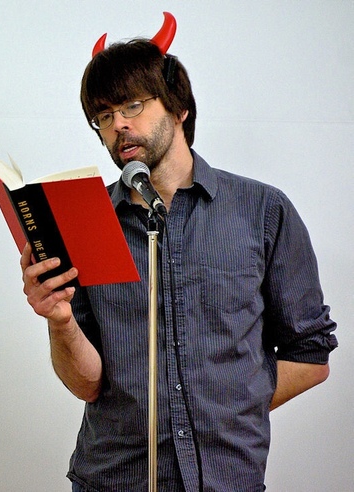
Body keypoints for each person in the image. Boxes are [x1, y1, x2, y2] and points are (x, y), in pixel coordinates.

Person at [19, 14, 338, 492]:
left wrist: (228, 408)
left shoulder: (262, 211)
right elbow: (87, 384)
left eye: (132, 105)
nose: (118, 125)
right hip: (113, 479)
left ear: (179, 107)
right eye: (103, 116)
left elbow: (311, 355)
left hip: (227, 479)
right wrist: (59, 319)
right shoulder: (82, 222)